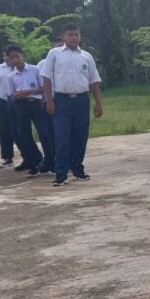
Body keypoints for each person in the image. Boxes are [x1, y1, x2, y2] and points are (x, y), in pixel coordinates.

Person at [40, 23, 104, 187]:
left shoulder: (86, 56)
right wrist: (49, 100)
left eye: (76, 35)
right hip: (61, 100)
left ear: (80, 37)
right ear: (64, 37)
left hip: (82, 100)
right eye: (70, 34)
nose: (74, 37)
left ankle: (78, 169)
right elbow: (46, 78)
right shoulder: (54, 54)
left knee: (80, 137)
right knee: (62, 138)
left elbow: (94, 81)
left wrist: (99, 103)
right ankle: (61, 173)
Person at [6, 45, 54, 176]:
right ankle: (34, 163)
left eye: (17, 56)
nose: (15, 60)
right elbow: (11, 95)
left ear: (23, 56)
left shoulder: (35, 69)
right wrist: (17, 96)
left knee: (44, 133)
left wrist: (28, 92)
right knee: (25, 135)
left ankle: (50, 162)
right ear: (9, 60)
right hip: (21, 106)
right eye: (12, 58)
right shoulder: (11, 76)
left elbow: (43, 88)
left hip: (36, 104)